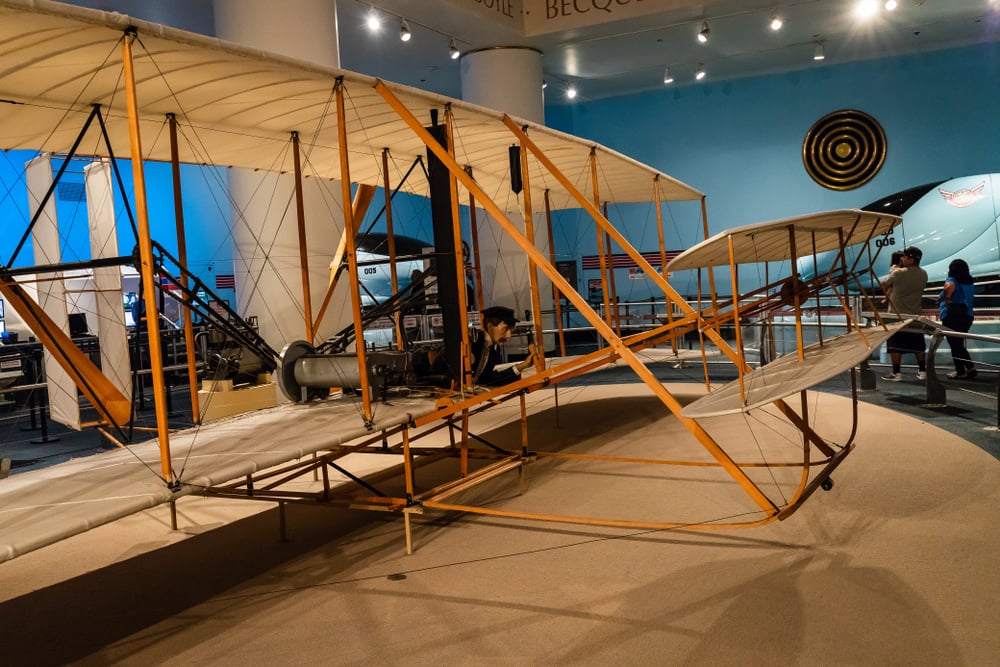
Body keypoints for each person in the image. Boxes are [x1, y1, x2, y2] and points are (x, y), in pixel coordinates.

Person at [434, 305, 537, 387]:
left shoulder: (494, 349)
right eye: (505, 329)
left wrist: (523, 365)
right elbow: (442, 369)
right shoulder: (472, 341)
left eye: (511, 330)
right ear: (490, 326)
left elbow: (489, 379)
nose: (509, 335)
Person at [880, 246, 928, 381]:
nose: (902, 258)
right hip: (915, 314)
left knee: (895, 345)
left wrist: (894, 271)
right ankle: (922, 371)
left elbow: (885, 284)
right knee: (918, 344)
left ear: (911, 260)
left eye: (905, 257)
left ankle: (896, 373)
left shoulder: (898, 273)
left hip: (897, 315)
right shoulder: (924, 273)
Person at [938, 259, 976, 379]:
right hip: (967, 316)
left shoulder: (952, 280)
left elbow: (948, 287)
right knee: (958, 343)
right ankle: (969, 368)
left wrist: (947, 298)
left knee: (955, 345)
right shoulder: (969, 281)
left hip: (953, 317)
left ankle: (961, 371)